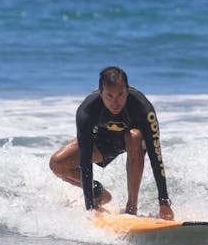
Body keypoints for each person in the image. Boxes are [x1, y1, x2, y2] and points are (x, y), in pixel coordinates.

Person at [50, 66, 175, 220]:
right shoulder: (87, 110)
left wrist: (164, 203)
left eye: (120, 95)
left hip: (131, 143)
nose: (115, 102)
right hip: (101, 144)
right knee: (57, 164)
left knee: (134, 136)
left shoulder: (143, 108)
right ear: (100, 93)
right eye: (109, 96)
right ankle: (98, 193)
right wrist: (90, 207)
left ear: (127, 90)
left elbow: (156, 155)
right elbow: (85, 158)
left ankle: (131, 208)